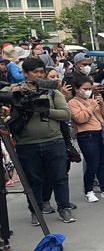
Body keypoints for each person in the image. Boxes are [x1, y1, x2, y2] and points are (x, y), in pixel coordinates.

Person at [1, 58, 75, 224]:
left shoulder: (50, 90)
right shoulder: (15, 90)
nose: (39, 75)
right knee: (33, 180)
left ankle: (64, 208)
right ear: (25, 73)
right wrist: (17, 93)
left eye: (42, 72)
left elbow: (66, 114)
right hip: (26, 143)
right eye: (35, 72)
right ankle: (36, 211)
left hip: (53, 141)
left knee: (59, 178)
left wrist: (46, 111)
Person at [68, 75, 104, 202]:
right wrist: (91, 106)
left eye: (90, 88)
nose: (88, 91)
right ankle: (88, 191)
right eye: (85, 88)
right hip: (86, 135)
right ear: (76, 89)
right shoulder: (73, 102)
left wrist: (101, 103)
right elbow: (80, 119)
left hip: (100, 133)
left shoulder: (93, 99)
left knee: (102, 164)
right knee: (92, 164)